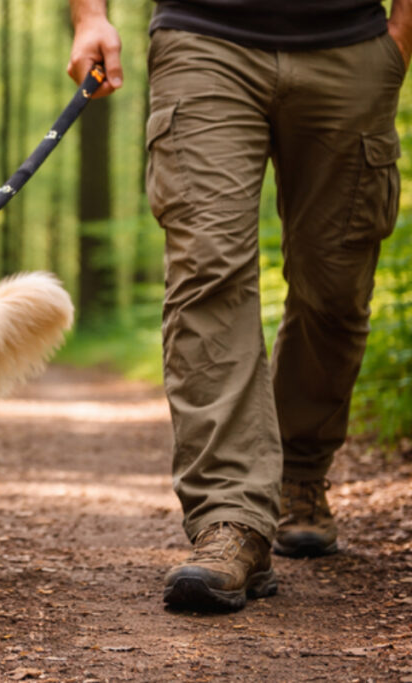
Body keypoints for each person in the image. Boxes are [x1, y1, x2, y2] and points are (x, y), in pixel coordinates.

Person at [66, 0, 412, 611]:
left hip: (352, 45)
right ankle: (231, 519)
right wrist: (90, 16)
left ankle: (300, 473)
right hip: (203, 41)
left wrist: (401, 35)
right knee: (209, 274)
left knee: (334, 287)